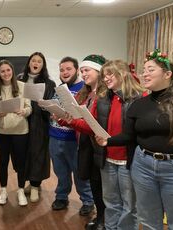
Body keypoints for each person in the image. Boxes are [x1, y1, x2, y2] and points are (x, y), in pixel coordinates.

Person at [96, 49, 173, 230]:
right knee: (148, 221)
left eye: (150, 70)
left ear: (168, 74)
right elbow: (129, 136)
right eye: (143, 70)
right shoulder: (138, 104)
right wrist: (108, 141)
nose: (144, 74)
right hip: (143, 166)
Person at [64, 59, 143, 230]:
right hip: (107, 160)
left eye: (110, 74)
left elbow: (139, 133)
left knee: (129, 206)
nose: (106, 79)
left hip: (128, 161)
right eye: (104, 75)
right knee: (111, 202)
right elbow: (91, 126)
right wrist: (68, 121)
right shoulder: (103, 99)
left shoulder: (140, 98)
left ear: (122, 74)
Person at [48, 57, 95, 215]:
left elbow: (86, 115)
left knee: (80, 172)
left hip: (74, 141)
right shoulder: (59, 88)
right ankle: (61, 197)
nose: (65, 72)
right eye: (62, 70)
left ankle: (88, 201)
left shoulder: (85, 89)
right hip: (55, 137)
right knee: (60, 172)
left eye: (68, 69)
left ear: (76, 71)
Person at [0, 60, 32, 206]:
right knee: (3, 162)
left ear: (12, 71)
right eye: (2, 71)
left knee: (20, 163)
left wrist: (24, 111)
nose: (6, 73)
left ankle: (20, 190)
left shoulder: (22, 86)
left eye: (8, 70)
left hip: (21, 131)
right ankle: (3, 191)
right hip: (3, 131)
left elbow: (29, 108)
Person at [17, 52, 56, 202]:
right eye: (33, 60)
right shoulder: (20, 79)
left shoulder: (49, 83)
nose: (36, 63)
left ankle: (35, 186)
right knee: (24, 154)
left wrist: (44, 105)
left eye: (39, 61)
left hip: (40, 123)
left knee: (38, 154)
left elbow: (53, 105)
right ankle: (29, 182)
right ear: (29, 63)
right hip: (22, 121)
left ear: (43, 65)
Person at [76, 55, 107, 230]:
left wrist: (70, 121)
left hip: (99, 147)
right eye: (82, 71)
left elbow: (95, 125)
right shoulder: (86, 93)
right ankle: (100, 216)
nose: (83, 74)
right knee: (94, 184)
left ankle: (104, 219)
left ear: (99, 71)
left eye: (86, 70)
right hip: (86, 145)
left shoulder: (104, 95)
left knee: (102, 186)